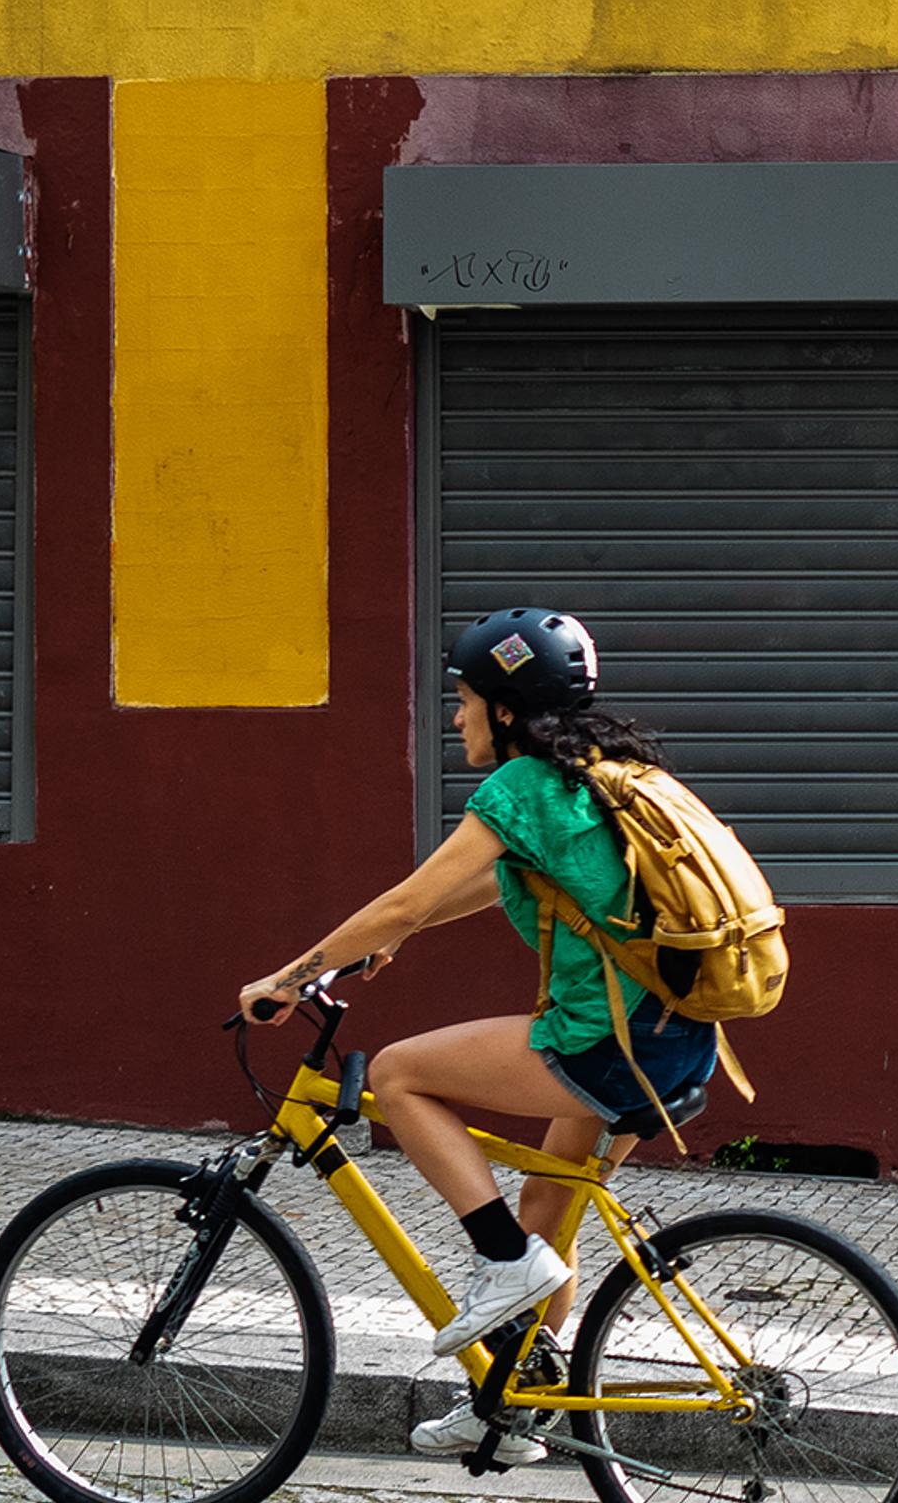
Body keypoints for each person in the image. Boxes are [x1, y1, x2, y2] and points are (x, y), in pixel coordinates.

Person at [235, 606, 722, 1463]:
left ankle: (499, 1264)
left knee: (399, 1074)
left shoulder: (521, 786)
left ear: (504, 708)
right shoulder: (596, 773)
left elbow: (409, 896)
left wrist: (285, 978)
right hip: (679, 1041)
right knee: (550, 1211)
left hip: (605, 1047)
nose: (454, 718)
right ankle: (509, 1407)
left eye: (463, 701)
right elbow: (495, 884)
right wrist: (402, 934)